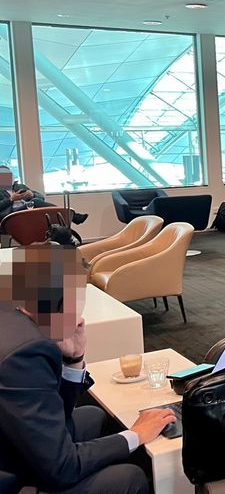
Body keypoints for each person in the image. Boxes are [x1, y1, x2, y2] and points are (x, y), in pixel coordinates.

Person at [0, 244, 175, 493]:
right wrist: (136, 435)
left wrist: (74, 358)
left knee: (93, 416)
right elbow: (62, 468)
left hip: (15, 443)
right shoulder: (25, 353)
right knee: (128, 477)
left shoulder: (10, 312)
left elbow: (55, 412)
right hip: (11, 475)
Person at [0, 166, 87, 224]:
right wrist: (11, 199)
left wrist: (32, 195)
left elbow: (41, 197)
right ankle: (72, 216)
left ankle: (66, 222)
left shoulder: (20, 186)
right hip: (10, 215)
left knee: (37, 203)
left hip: (27, 211)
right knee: (35, 202)